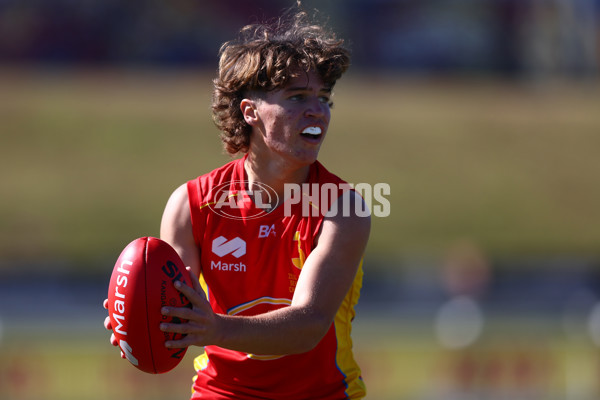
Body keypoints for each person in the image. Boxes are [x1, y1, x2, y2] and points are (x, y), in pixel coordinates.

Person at [104, 7, 370, 399]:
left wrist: (215, 329)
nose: (317, 110)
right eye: (297, 97)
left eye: (324, 98)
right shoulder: (191, 204)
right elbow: (175, 310)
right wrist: (140, 318)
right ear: (250, 113)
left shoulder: (343, 208)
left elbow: (309, 325)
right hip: (220, 392)